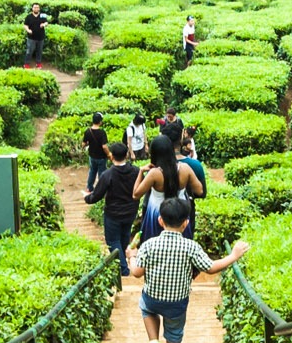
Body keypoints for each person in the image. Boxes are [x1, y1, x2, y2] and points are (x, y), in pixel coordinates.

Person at [130, 196, 248, 343]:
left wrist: (132, 256)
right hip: (177, 302)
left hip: (152, 298)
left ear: (160, 220)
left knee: (147, 308)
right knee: (175, 331)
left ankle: (154, 342)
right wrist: (233, 256)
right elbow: (211, 268)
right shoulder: (191, 247)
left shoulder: (149, 244)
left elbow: (136, 272)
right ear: (185, 223)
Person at [85, 139, 142, 274]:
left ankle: (123, 269)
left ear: (111, 156)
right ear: (126, 155)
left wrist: (87, 198)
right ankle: (123, 263)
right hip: (130, 212)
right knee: (124, 238)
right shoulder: (136, 171)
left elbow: (96, 195)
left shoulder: (108, 174)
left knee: (112, 240)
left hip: (113, 213)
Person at [136, 136, 204, 243]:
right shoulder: (185, 168)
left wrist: (141, 171)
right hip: (180, 211)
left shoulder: (154, 173)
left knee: (154, 246)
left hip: (156, 214)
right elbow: (199, 190)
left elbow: (136, 194)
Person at [82, 112, 110, 192]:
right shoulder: (102, 133)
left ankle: (89, 187)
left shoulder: (88, 131)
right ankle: (101, 190)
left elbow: (83, 144)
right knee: (101, 173)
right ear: (100, 121)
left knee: (92, 171)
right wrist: (109, 154)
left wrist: (88, 143)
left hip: (92, 156)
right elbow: (104, 146)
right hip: (101, 157)